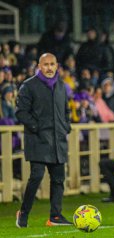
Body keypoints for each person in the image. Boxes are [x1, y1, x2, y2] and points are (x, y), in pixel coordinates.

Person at [15, 53, 72, 228]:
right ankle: (23, 213)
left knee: (58, 180)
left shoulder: (62, 86)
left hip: (58, 141)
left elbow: (66, 111)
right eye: (45, 64)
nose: (49, 67)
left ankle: (55, 216)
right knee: (36, 177)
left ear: (57, 66)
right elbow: (21, 112)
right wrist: (36, 128)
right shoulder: (29, 86)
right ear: (39, 66)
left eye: (52, 64)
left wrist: (65, 127)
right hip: (38, 140)